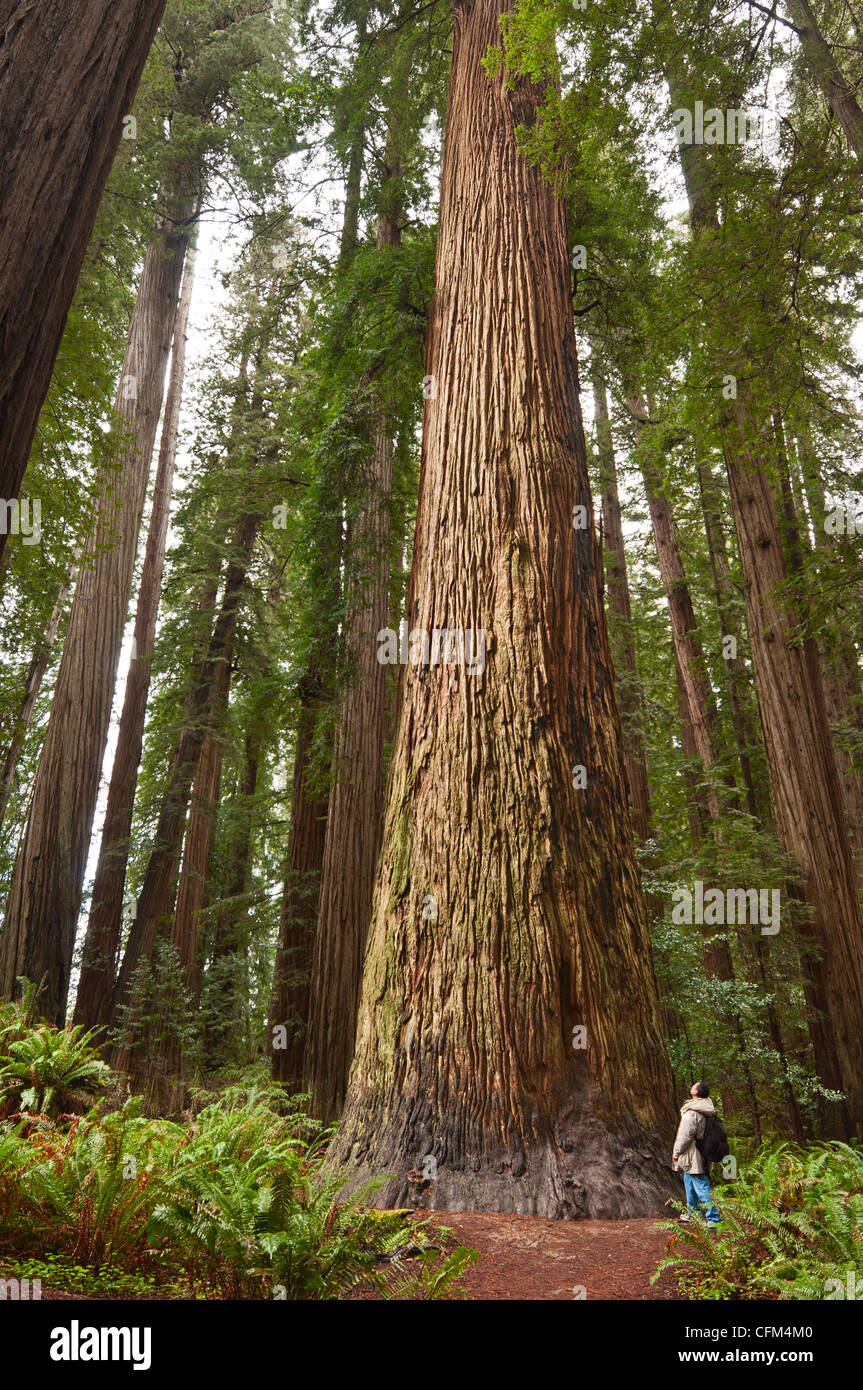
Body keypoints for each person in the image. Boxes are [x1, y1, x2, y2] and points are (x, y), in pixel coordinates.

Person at [672, 1080, 721, 1224]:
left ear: (695, 1092)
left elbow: (684, 1135)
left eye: (694, 1086)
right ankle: (693, 1214)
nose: (692, 1086)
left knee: (701, 1185)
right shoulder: (706, 1109)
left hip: (693, 1154)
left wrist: (677, 1152)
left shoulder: (692, 1113)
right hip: (703, 1152)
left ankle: (714, 1218)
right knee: (689, 1183)